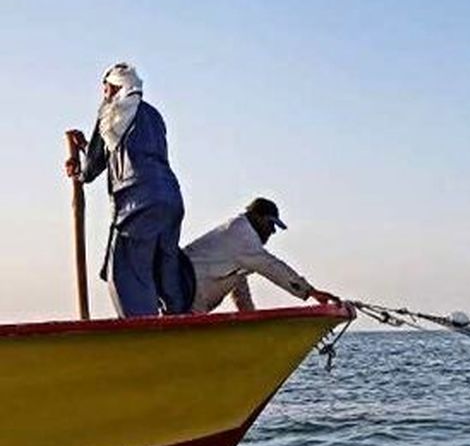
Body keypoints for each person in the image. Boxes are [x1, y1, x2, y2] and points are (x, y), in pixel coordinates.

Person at [65, 63, 189, 317]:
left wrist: (76, 171)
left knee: (126, 273)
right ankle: (179, 326)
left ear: (113, 88)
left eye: (106, 89)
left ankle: (145, 336)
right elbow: (133, 153)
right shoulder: (153, 115)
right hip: (171, 199)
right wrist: (89, 146)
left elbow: (91, 169)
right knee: (164, 268)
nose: (104, 95)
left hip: (137, 204)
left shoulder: (110, 115)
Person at [183, 197, 339, 313]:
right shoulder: (242, 236)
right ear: (257, 216)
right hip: (186, 292)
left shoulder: (240, 248)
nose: (272, 231)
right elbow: (271, 267)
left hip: (190, 295)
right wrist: (310, 291)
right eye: (270, 223)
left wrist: (249, 318)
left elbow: (239, 286)